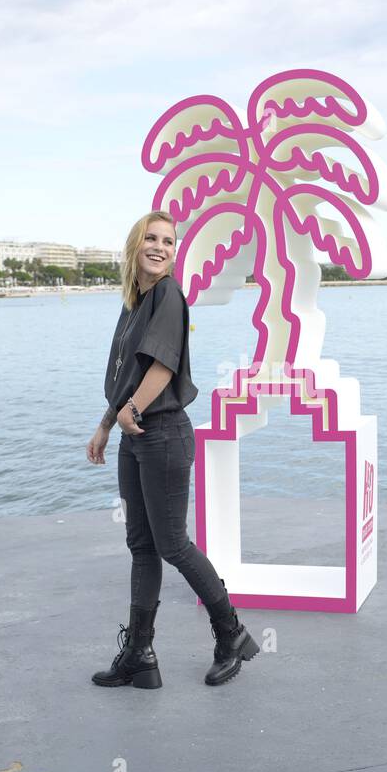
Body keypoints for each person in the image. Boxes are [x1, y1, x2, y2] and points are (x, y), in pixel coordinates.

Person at [85, 210, 258, 688]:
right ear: (135, 245)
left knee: (173, 544)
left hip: (162, 433)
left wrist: (131, 411)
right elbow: (125, 375)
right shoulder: (133, 301)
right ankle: (139, 654)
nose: (160, 247)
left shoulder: (167, 294)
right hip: (133, 434)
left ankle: (232, 634)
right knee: (141, 546)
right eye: (152, 238)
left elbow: (163, 365)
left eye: (169, 241)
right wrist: (107, 424)